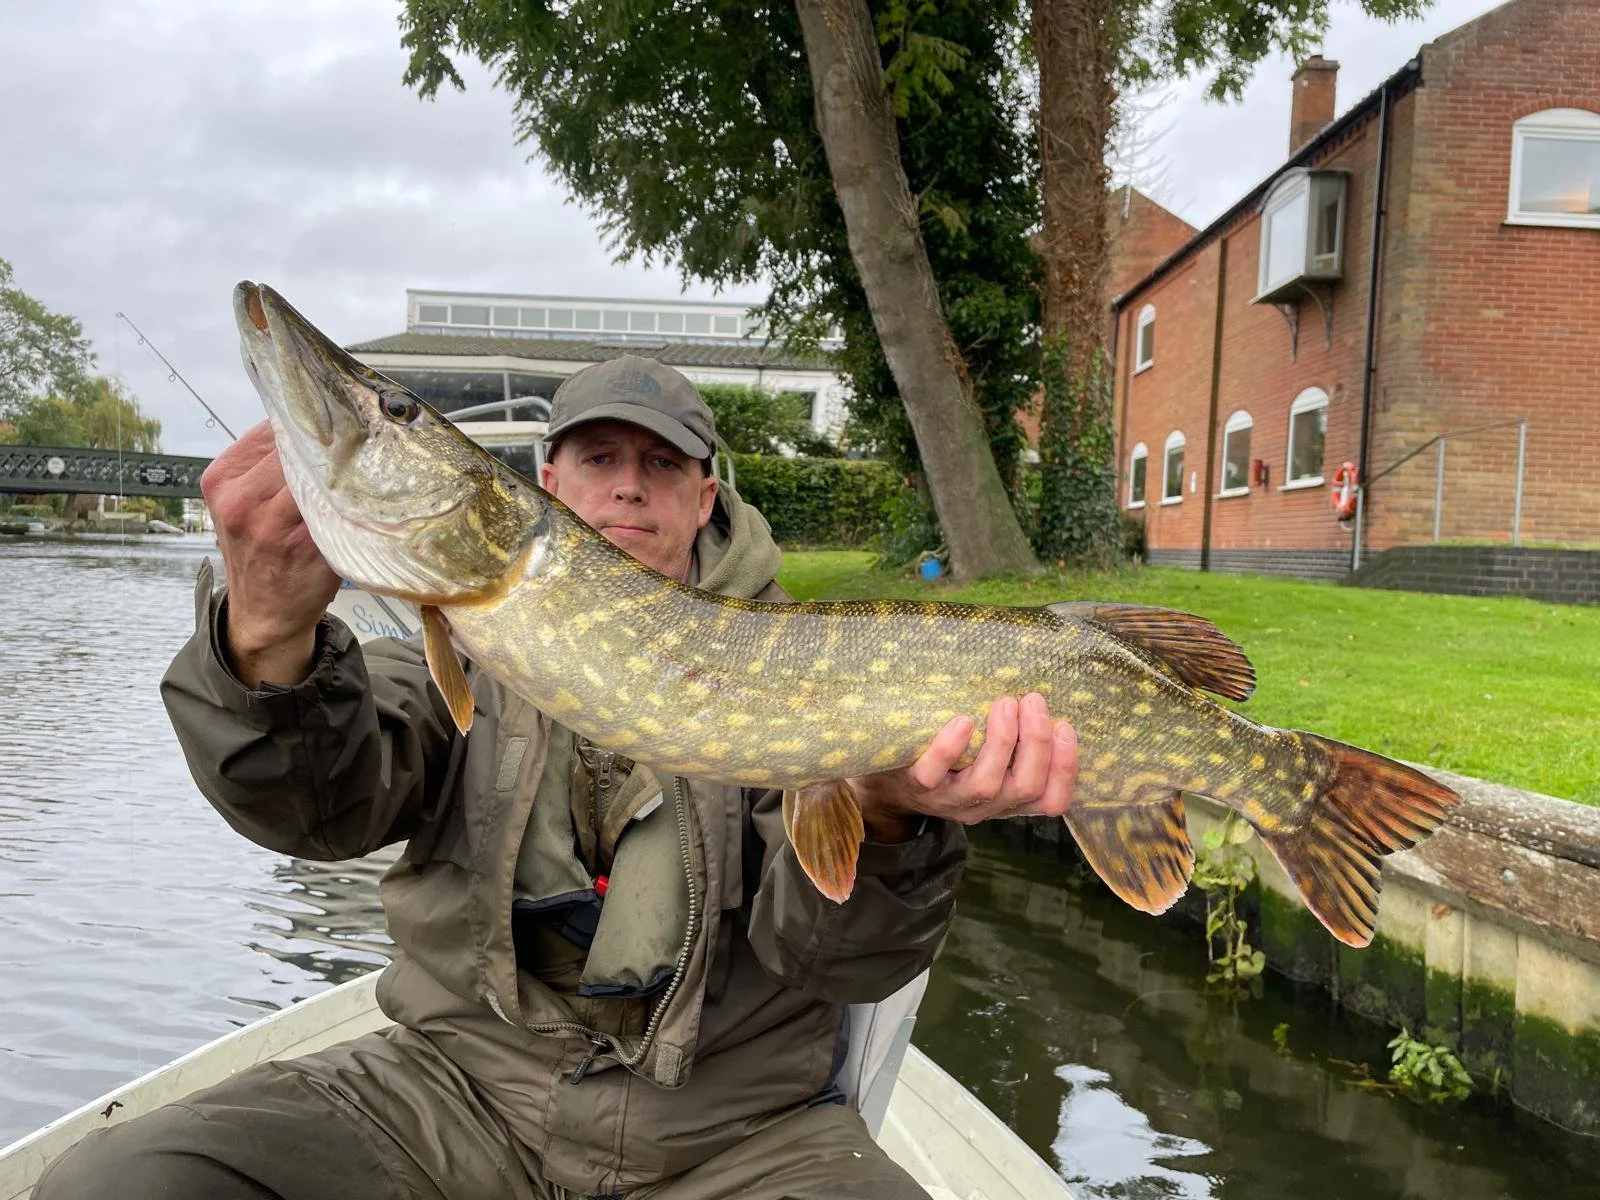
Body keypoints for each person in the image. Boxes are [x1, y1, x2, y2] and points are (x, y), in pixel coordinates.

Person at [36, 356, 1077, 1200]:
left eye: (661, 465)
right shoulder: (453, 648)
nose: (628, 484)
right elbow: (316, 806)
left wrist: (892, 813)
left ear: (705, 494)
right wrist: (262, 639)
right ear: (545, 482)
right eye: (599, 458)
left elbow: (841, 964)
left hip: (738, 1135)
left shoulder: (798, 659)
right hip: (458, 1095)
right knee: (122, 1181)